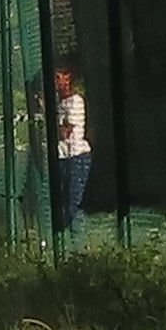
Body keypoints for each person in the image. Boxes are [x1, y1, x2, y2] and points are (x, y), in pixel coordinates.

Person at [50, 67, 92, 237]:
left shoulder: (75, 101)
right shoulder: (60, 103)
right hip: (63, 156)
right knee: (62, 199)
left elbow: (65, 132)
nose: (55, 82)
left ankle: (77, 242)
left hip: (77, 156)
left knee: (73, 201)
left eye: (59, 78)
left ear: (68, 80)